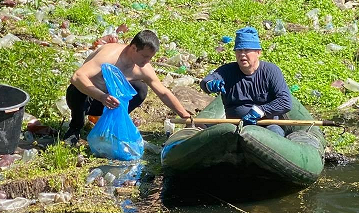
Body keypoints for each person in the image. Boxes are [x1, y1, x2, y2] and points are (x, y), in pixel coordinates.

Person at [63, 29, 192, 142]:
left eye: (150, 58)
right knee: (77, 90)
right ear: (134, 48)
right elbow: (77, 77)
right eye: (145, 56)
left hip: (110, 104)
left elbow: (163, 93)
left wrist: (186, 116)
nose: (147, 61)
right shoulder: (110, 56)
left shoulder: (143, 68)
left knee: (140, 89)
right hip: (88, 100)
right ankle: (75, 128)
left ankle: (111, 124)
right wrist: (102, 96)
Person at [200, 26, 292, 136]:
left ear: (258, 52)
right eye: (239, 50)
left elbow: (285, 102)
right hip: (234, 126)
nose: (242, 54)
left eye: (247, 50)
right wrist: (209, 85)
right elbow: (208, 80)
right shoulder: (228, 71)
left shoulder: (271, 71)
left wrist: (261, 110)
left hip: (266, 126)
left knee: (276, 132)